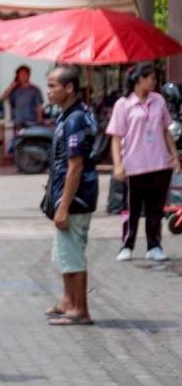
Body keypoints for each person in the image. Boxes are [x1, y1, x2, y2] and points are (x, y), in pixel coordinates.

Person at [44, 64, 99, 326]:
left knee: (73, 253)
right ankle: (68, 300)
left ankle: (80, 309)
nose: (49, 91)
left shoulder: (76, 118)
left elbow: (75, 165)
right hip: (68, 195)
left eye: (53, 86)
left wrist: (64, 206)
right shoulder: (70, 114)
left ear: (69, 87)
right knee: (64, 253)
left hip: (76, 198)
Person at [108, 62, 180, 262]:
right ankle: (127, 245)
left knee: (155, 208)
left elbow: (166, 130)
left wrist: (174, 155)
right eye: (152, 79)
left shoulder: (159, 101)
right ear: (140, 80)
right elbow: (115, 137)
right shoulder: (123, 104)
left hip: (159, 163)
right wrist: (118, 164)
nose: (155, 82)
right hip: (134, 164)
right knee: (131, 209)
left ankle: (154, 245)